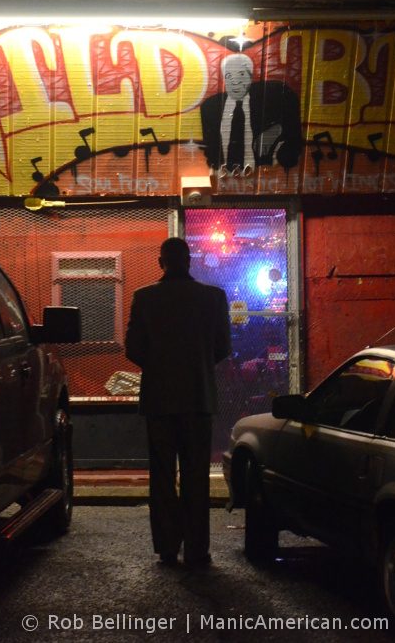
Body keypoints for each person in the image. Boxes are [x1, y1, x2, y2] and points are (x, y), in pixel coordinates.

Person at [125, 237, 232, 567]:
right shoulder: (213, 298)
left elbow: (133, 349)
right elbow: (223, 348)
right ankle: (197, 549)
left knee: (161, 476)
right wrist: (197, 365)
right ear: (189, 261)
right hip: (198, 399)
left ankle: (168, 547)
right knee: (196, 476)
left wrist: (159, 367)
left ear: (161, 263)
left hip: (158, 400)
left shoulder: (144, 298)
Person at [199, 52, 303, 173]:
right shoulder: (210, 107)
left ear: (251, 77)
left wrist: (278, 129)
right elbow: (210, 149)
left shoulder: (271, 98)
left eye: (241, 74)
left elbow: (294, 131)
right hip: (223, 178)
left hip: (264, 179)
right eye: (229, 76)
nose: (235, 81)